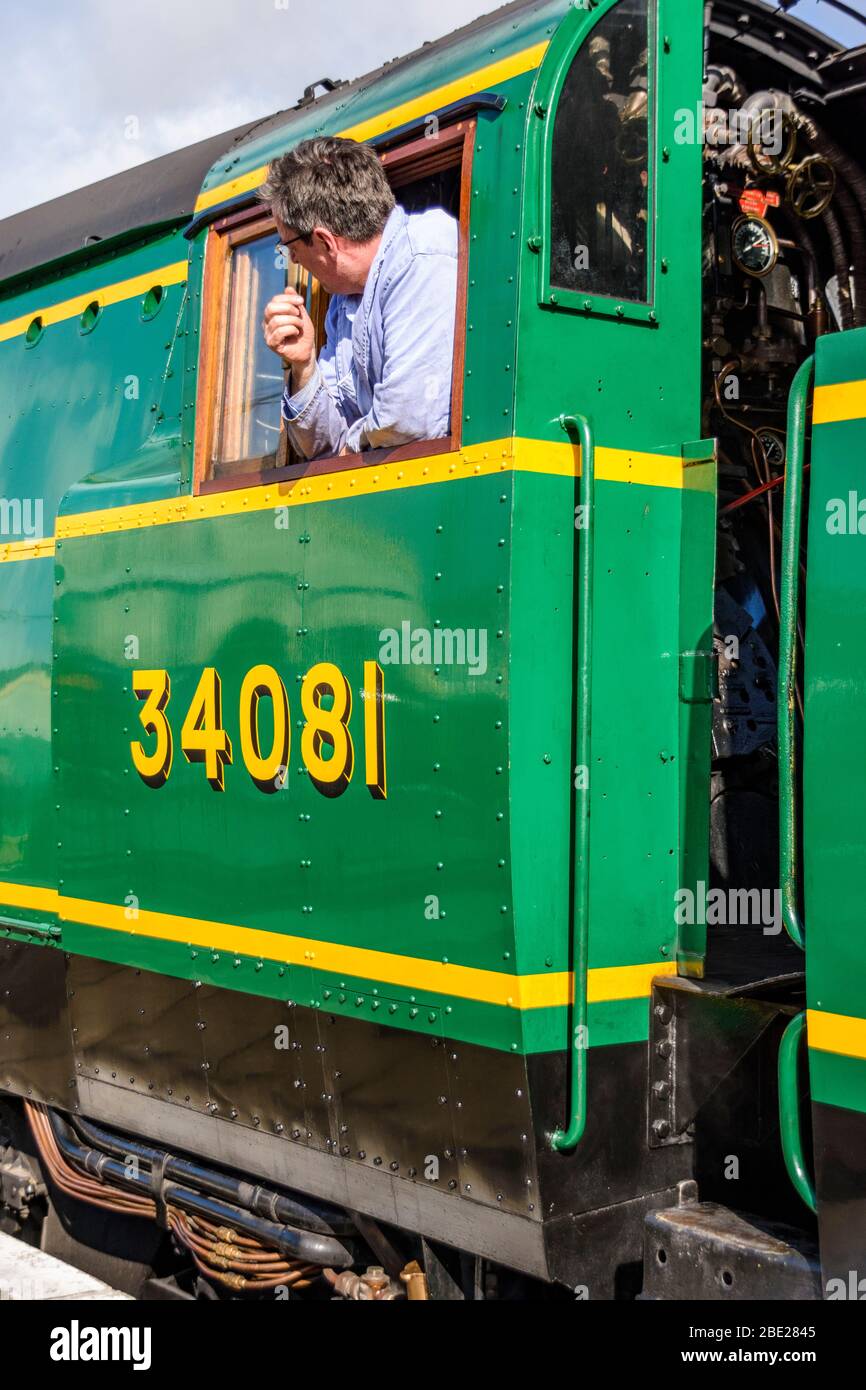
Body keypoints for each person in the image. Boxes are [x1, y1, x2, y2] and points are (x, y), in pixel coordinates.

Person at [260, 137, 458, 459]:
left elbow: (407, 419)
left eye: (291, 247)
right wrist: (304, 365)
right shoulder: (344, 300)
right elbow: (322, 444)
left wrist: (349, 447)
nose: (292, 260)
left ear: (325, 242)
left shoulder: (422, 253)